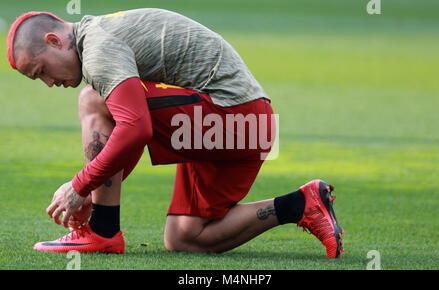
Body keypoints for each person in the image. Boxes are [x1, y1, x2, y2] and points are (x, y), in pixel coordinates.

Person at [7, 8, 344, 258]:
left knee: (93, 100)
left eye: (42, 71)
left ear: (54, 41)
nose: (50, 83)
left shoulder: (97, 48)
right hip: (251, 129)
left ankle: (102, 231)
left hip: (230, 116)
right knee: (185, 237)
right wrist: (92, 191)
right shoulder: (101, 35)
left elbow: (135, 129)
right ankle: (300, 204)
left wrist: (80, 187)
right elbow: (130, 135)